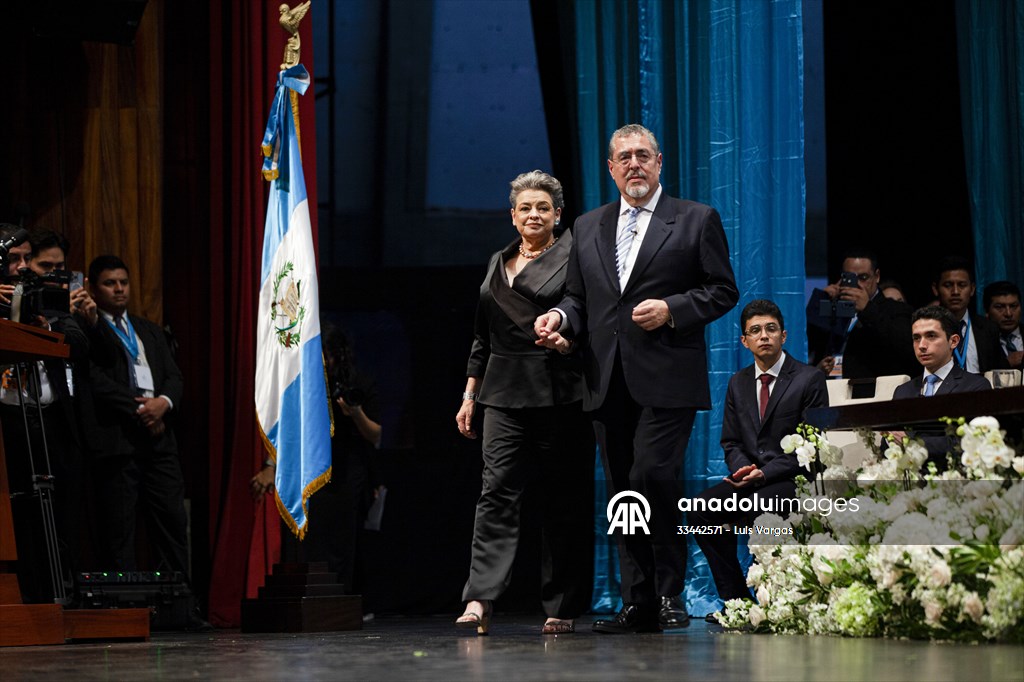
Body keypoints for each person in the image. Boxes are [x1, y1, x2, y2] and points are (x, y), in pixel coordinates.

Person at [535, 125, 738, 633]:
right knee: (624, 490)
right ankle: (637, 599)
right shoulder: (588, 226)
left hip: (668, 376)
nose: (634, 164)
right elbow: (578, 298)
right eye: (623, 157)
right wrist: (560, 318)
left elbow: (722, 290)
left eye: (642, 155)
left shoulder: (695, 219)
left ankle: (670, 593)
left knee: (653, 474)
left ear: (659, 162)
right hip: (606, 377)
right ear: (611, 168)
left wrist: (672, 309)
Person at [456, 170, 593, 635]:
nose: (534, 214)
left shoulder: (576, 256)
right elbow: (482, 337)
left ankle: (562, 605)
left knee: (561, 499)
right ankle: (480, 598)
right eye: (525, 208)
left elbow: (585, 313)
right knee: (495, 493)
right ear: (513, 216)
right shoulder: (498, 260)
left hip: (559, 389)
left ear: (558, 214)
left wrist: (566, 341)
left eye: (543, 207)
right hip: (501, 392)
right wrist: (470, 395)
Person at [690, 300, 828, 608]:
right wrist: (744, 469)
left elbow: (812, 444)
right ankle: (736, 600)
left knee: (760, 505)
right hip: (750, 477)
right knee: (700, 511)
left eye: (770, 329)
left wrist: (763, 473)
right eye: (755, 331)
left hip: (794, 478)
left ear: (783, 335)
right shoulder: (737, 382)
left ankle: (772, 598)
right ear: (745, 340)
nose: (763, 336)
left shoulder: (809, 379)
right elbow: (731, 442)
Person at [80, 255, 192, 581]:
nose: (119, 289)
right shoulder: (89, 330)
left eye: (123, 282)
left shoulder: (149, 330)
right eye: (109, 283)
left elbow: (174, 377)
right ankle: (125, 604)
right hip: (118, 442)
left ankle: (178, 600)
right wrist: (142, 409)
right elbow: (95, 380)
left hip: (159, 441)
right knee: (119, 530)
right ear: (92, 288)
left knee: (172, 521)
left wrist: (163, 403)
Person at [251, 322, 383, 597]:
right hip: (314, 469)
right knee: (315, 541)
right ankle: (316, 602)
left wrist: (355, 413)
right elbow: (288, 426)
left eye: (327, 355)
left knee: (343, 542)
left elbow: (375, 435)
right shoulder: (306, 383)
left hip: (349, 471)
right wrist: (271, 465)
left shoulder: (357, 382)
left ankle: (341, 603)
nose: (323, 361)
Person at [0, 227, 89, 602]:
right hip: (6, 422)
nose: (22, 267)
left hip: (49, 419)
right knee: (15, 513)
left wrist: (46, 325)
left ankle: (61, 596)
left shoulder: (43, 297)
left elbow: (79, 344)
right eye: (13, 259)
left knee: (58, 513)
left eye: (26, 258)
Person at [892, 306, 991, 463]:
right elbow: (888, 445)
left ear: (953, 341)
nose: (922, 345)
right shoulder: (903, 391)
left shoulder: (975, 387)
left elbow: (969, 443)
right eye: (916, 338)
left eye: (931, 336)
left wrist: (911, 443)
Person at [810, 249, 917, 379]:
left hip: (872, 387)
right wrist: (821, 300)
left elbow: (904, 347)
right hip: (831, 386)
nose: (858, 284)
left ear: (877, 276)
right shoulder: (836, 309)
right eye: (850, 278)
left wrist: (867, 308)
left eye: (863, 278)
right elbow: (807, 342)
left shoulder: (896, 309)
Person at [931, 256, 1008, 374]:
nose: (955, 292)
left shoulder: (988, 328)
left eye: (962, 285)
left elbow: (1001, 372)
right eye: (948, 285)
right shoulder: (925, 329)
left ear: (972, 289)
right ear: (936, 289)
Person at [983, 280, 1023, 371]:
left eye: (1013, 306)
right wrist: (1006, 363)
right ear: (987, 311)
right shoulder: (981, 341)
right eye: (999, 307)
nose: (1008, 314)